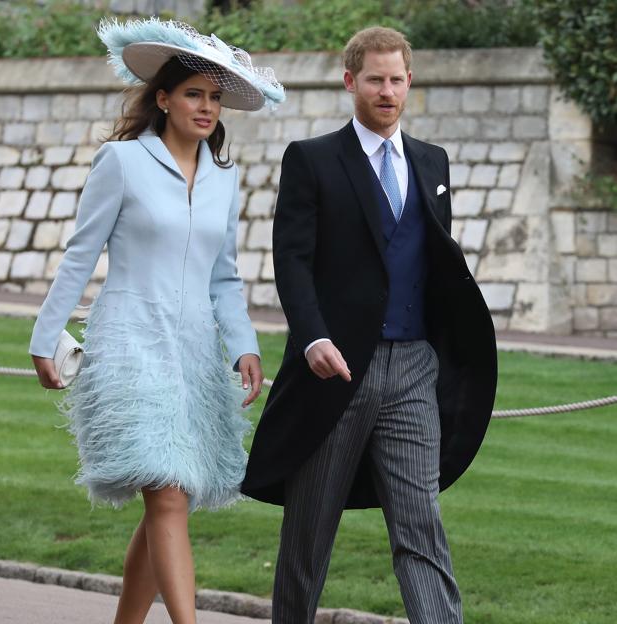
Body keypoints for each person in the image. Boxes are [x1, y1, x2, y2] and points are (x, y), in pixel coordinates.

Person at [29, 18, 284, 624]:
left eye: (215, 97)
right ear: (163, 98)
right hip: (128, 344)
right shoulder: (120, 162)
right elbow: (79, 256)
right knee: (166, 495)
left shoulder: (226, 178)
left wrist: (243, 345)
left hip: (196, 352)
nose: (206, 106)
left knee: (173, 498)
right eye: (193, 93)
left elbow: (225, 276)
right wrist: (45, 337)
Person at [242, 26, 497, 623]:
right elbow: (292, 260)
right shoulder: (312, 159)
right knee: (309, 534)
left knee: (420, 527)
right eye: (376, 79)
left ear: (411, 82)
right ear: (350, 80)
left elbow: (431, 260)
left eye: (397, 79)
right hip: (335, 371)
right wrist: (313, 336)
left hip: (413, 369)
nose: (387, 91)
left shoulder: (433, 162)